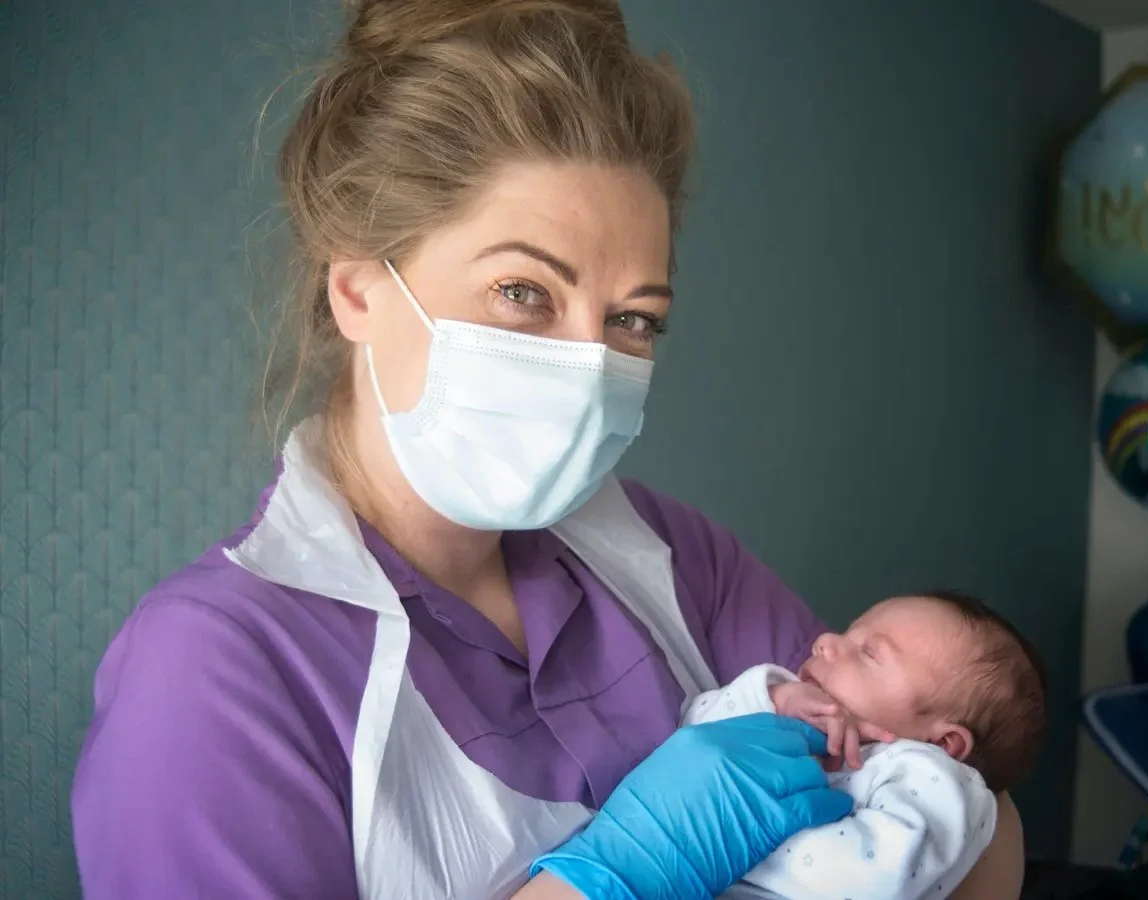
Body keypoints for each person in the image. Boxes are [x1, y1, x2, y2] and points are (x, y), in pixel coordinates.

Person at [70, 1, 1027, 897]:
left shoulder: (669, 556)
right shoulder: (212, 676)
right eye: (523, 292)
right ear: (360, 290)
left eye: (633, 319)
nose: (586, 363)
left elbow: (968, 803)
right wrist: (614, 874)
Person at [680, 591, 1047, 899]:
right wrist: (771, 698)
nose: (825, 642)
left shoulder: (932, 780)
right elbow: (693, 739)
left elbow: (868, 883)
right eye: (848, 632)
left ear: (942, 743)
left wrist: (735, 831)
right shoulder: (807, 722)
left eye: (869, 653)